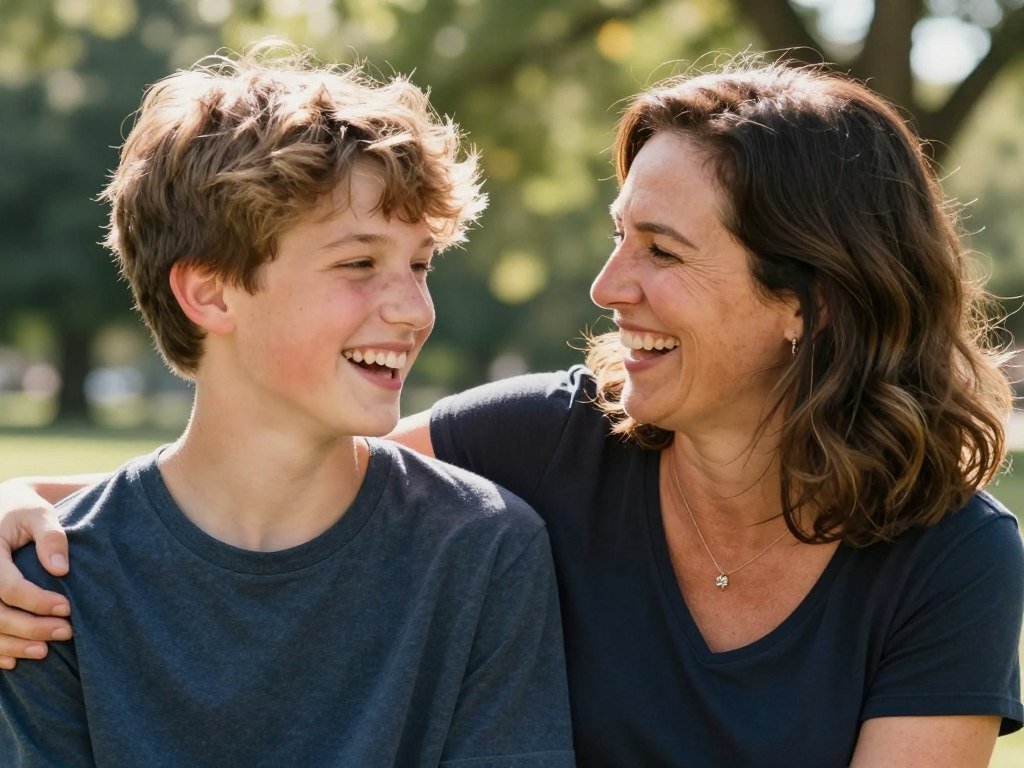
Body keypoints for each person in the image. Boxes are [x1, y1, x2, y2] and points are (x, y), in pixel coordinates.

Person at [1, 57, 1022, 767]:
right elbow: (244, 488)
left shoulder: (951, 559)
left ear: (812, 301)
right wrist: (14, 514)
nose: (606, 285)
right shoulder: (545, 441)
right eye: (619, 235)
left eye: (661, 251)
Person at [0, 43, 575, 767]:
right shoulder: (46, 587)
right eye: (360, 263)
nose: (414, 310)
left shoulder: (484, 552)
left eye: (420, 265)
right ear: (209, 292)